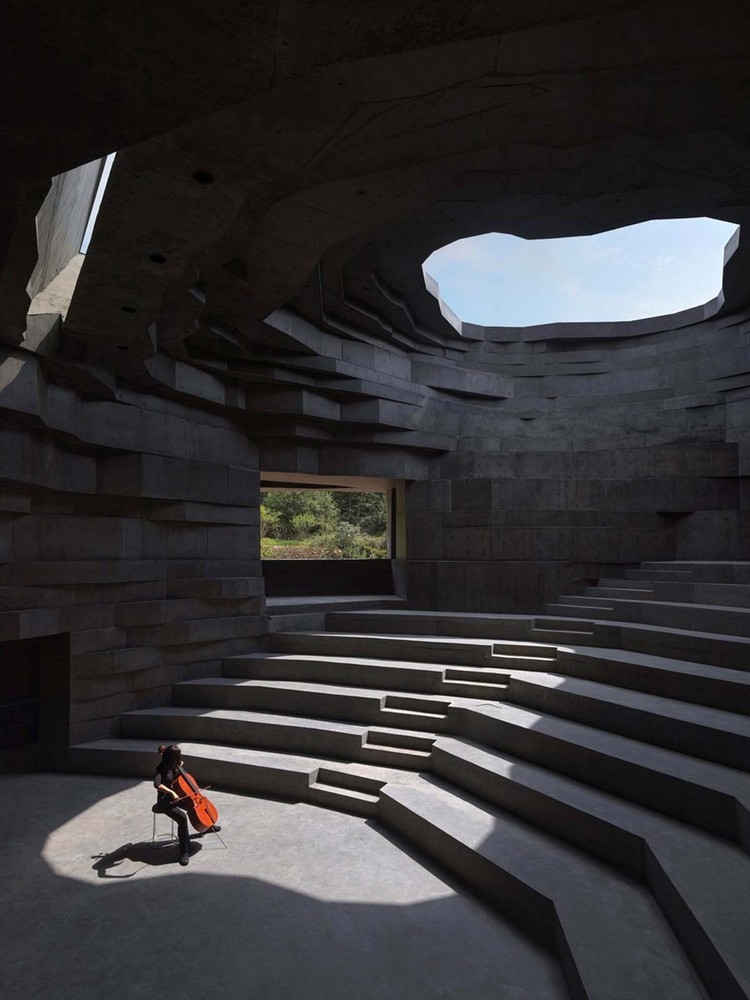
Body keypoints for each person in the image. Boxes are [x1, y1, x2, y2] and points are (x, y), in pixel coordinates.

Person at [153, 744, 221, 866]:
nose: (178, 759)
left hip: (179, 797)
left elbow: (180, 779)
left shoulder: (175, 764)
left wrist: (179, 768)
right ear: (170, 757)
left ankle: (208, 825)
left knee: (192, 805)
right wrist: (172, 792)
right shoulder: (161, 768)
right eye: (176, 757)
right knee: (182, 818)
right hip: (165, 801)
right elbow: (157, 784)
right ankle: (184, 851)